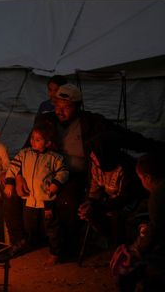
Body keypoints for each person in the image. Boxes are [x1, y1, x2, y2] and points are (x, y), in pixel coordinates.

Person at [32, 83, 164, 258]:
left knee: (68, 201)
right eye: (57, 106)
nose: (60, 111)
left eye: (66, 107)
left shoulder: (91, 123)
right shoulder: (47, 121)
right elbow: (29, 146)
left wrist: (158, 148)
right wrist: (16, 176)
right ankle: (35, 240)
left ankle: (68, 248)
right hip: (48, 172)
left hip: (76, 174)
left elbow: (125, 137)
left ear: (77, 107)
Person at [5, 124, 69, 263]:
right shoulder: (24, 154)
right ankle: (32, 243)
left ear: (48, 143)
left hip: (47, 200)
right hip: (29, 199)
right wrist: (9, 183)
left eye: (38, 139)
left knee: (51, 227)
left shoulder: (54, 158)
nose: (33, 141)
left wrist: (55, 184)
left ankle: (55, 252)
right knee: (29, 225)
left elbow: (64, 172)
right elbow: (12, 167)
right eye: (32, 138)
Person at [78, 132, 147, 246]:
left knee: (116, 217)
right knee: (88, 212)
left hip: (129, 205)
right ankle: (108, 239)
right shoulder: (95, 164)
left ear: (105, 154)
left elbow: (124, 199)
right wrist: (89, 202)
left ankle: (120, 247)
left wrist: (98, 206)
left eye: (95, 154)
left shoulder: (126, 168)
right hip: (108, 201)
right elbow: (94, 187)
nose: (92, 156)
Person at [110, 153, 165, 291]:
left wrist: (136, 250)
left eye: (141, 178)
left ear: (147, 177)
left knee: (128, 271)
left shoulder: (158, 196)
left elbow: (156, 233)